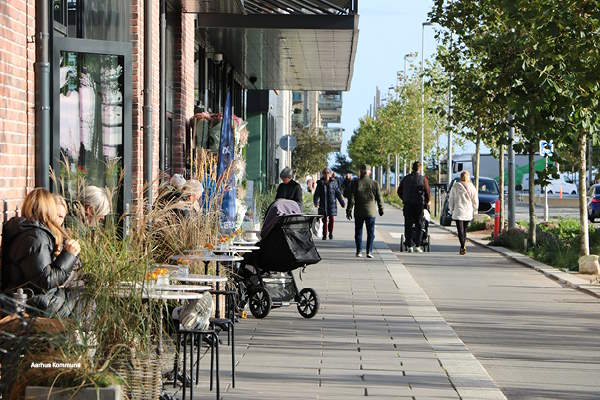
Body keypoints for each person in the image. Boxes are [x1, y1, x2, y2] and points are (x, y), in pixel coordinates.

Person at [1, 188, 82, 317]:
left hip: (31, 298)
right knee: (86, 301)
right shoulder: (35, 237)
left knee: (82, 295)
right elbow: (47, 281)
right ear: (48, 209)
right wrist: (69, 254)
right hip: (31, 302)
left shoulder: (30, 232)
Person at [346, 164, 383, 258]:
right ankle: (369, 251)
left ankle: (359, 251)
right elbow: (379, 198)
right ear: (369, 172)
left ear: (361, 172)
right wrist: (381, 209)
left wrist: (349, 210)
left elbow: (351, 199)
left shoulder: (355, 183)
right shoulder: (374, 183)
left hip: (358, 212)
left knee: (358, 232)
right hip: (371, 212)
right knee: (371, 232)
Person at [398, 161, 431, 253]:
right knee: (419, 224)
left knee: (408, 224)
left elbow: (399, 191)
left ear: (412, 168)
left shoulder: (406, 179)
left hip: (408, 204)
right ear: (420, 168)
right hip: (419, 205)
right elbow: (427, 192)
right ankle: (418, 245)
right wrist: (427, 201)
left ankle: (409, 245)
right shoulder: (423, 179)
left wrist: (404, 198)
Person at [448, 170, 479, 255]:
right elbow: (475, 200)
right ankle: (463, 245)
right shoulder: (472, 187)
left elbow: (451, 199)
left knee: (460, 230)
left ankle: (462, 246)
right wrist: (475, 210)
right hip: (468, 211)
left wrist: (451, 209)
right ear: (468, 177)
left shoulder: (455, 186)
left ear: (460, 177)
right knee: (464, 230)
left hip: (458, 211)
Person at [313, 167, 345, 240]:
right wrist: (315, 202)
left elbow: (338, 193)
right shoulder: (320, 183)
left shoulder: (334, 182)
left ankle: (330, 232)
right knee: (324, 220)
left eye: (328, 173)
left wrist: (342, 202)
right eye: (325, 173)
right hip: (323, 204)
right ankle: (324, 235)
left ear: (330, 174)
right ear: (323, 174)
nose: (326, 174)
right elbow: (316, 194)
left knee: (331, 219)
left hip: (332, 204)